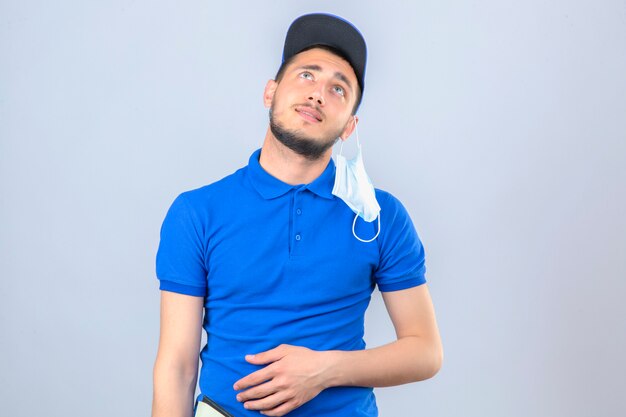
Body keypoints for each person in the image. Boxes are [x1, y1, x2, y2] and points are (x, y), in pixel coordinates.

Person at [152, 13, 443, 417]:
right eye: (307, 75)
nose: (318, 94)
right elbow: (177, 366)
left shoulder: (380, 216)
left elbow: (425, 350)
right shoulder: (196, 212)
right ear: (270, 92)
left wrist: (324, 370)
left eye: (338, 88)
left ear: (349, 126)